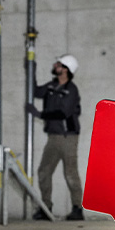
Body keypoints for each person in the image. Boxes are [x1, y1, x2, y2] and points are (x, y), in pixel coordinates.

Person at [30, 54, 84, 221]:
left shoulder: (71, 89)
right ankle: (46, 208)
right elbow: (36, 92)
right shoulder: (52, 86)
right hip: (53, 137)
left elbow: (63, 113)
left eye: (59, 64)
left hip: (68, 138)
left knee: (70, 173)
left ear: (66, 69)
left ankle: (77, 209)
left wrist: (39, 114)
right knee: (44, 172)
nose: (55, 65)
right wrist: (31, 69)